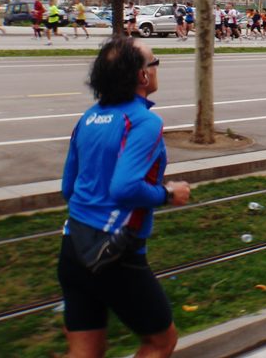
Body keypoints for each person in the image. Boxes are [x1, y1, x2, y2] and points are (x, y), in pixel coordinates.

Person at [57, 37, 191, 358]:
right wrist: (168, 194)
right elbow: (124, 188)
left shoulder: (88, 118)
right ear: (143, 76)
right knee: (161, 342)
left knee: (85, 352)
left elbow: (68, 188)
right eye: (154, 62)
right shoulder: (144, 122)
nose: (157, 68)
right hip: (114, 254)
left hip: (73, 247)